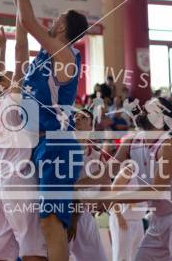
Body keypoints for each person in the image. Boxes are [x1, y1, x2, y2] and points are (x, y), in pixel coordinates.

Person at [0, 0, 89, 261]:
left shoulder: (66, 55)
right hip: (40, 144)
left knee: (52, 225)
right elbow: (22, 35)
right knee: (47, 224)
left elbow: (29, 22)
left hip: (57, 143)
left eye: (58, 18)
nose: (52, 20)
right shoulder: (46, 56)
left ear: (63, 25)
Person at [0, 0, 47, 261]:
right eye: (8, 76)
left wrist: (0, 47)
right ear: (5, 84)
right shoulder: (13, 96)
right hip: (18, 177)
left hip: (1, 180)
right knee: (31, 245)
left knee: (1, 246)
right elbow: (23, 45)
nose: (12, 74)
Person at [112, 97, 172, 261]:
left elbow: (157, 190)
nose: (143, 108)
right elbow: (107, 171)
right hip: (158, 219)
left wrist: (111, 198)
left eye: (149, 107)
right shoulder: (131, 141)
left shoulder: (169, 145)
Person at [69, 109, 109, 261]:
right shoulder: (62, 150)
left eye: (83, 117)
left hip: (85, 214)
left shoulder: (97, 156)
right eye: (75, 116)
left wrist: (103, 201)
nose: (77, 119)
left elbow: (106, 184)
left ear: (90, 127)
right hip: (64, 211)